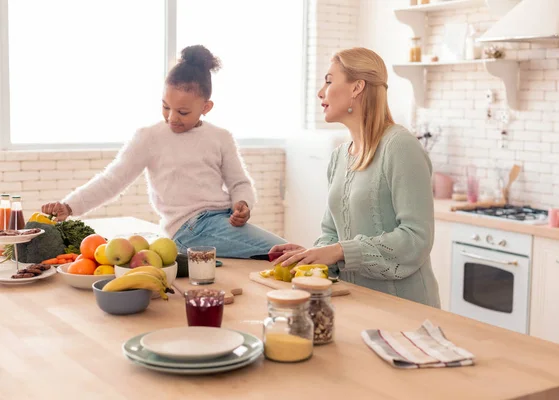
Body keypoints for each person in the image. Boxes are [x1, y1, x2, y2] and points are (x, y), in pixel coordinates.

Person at [42, 45, 285, 258]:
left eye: (183, 112)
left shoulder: (221, 137)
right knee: (289, 252)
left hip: (220, 219)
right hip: (189, 229)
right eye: (165, 106)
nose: (171, 118)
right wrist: (70, 206)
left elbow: (239, 182)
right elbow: (112, 180)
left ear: (206, 107)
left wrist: (243, 203)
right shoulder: (149, 137)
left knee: (286, 256)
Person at [270, 47, 440, 307]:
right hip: (356, 304)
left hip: (404, 308)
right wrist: (310, 257)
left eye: (328, 81)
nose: (320, 92)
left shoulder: (400, 146)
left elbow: (416, 239)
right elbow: (330, 232)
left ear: (356, 88)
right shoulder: (339, 157)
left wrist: (339, 251)